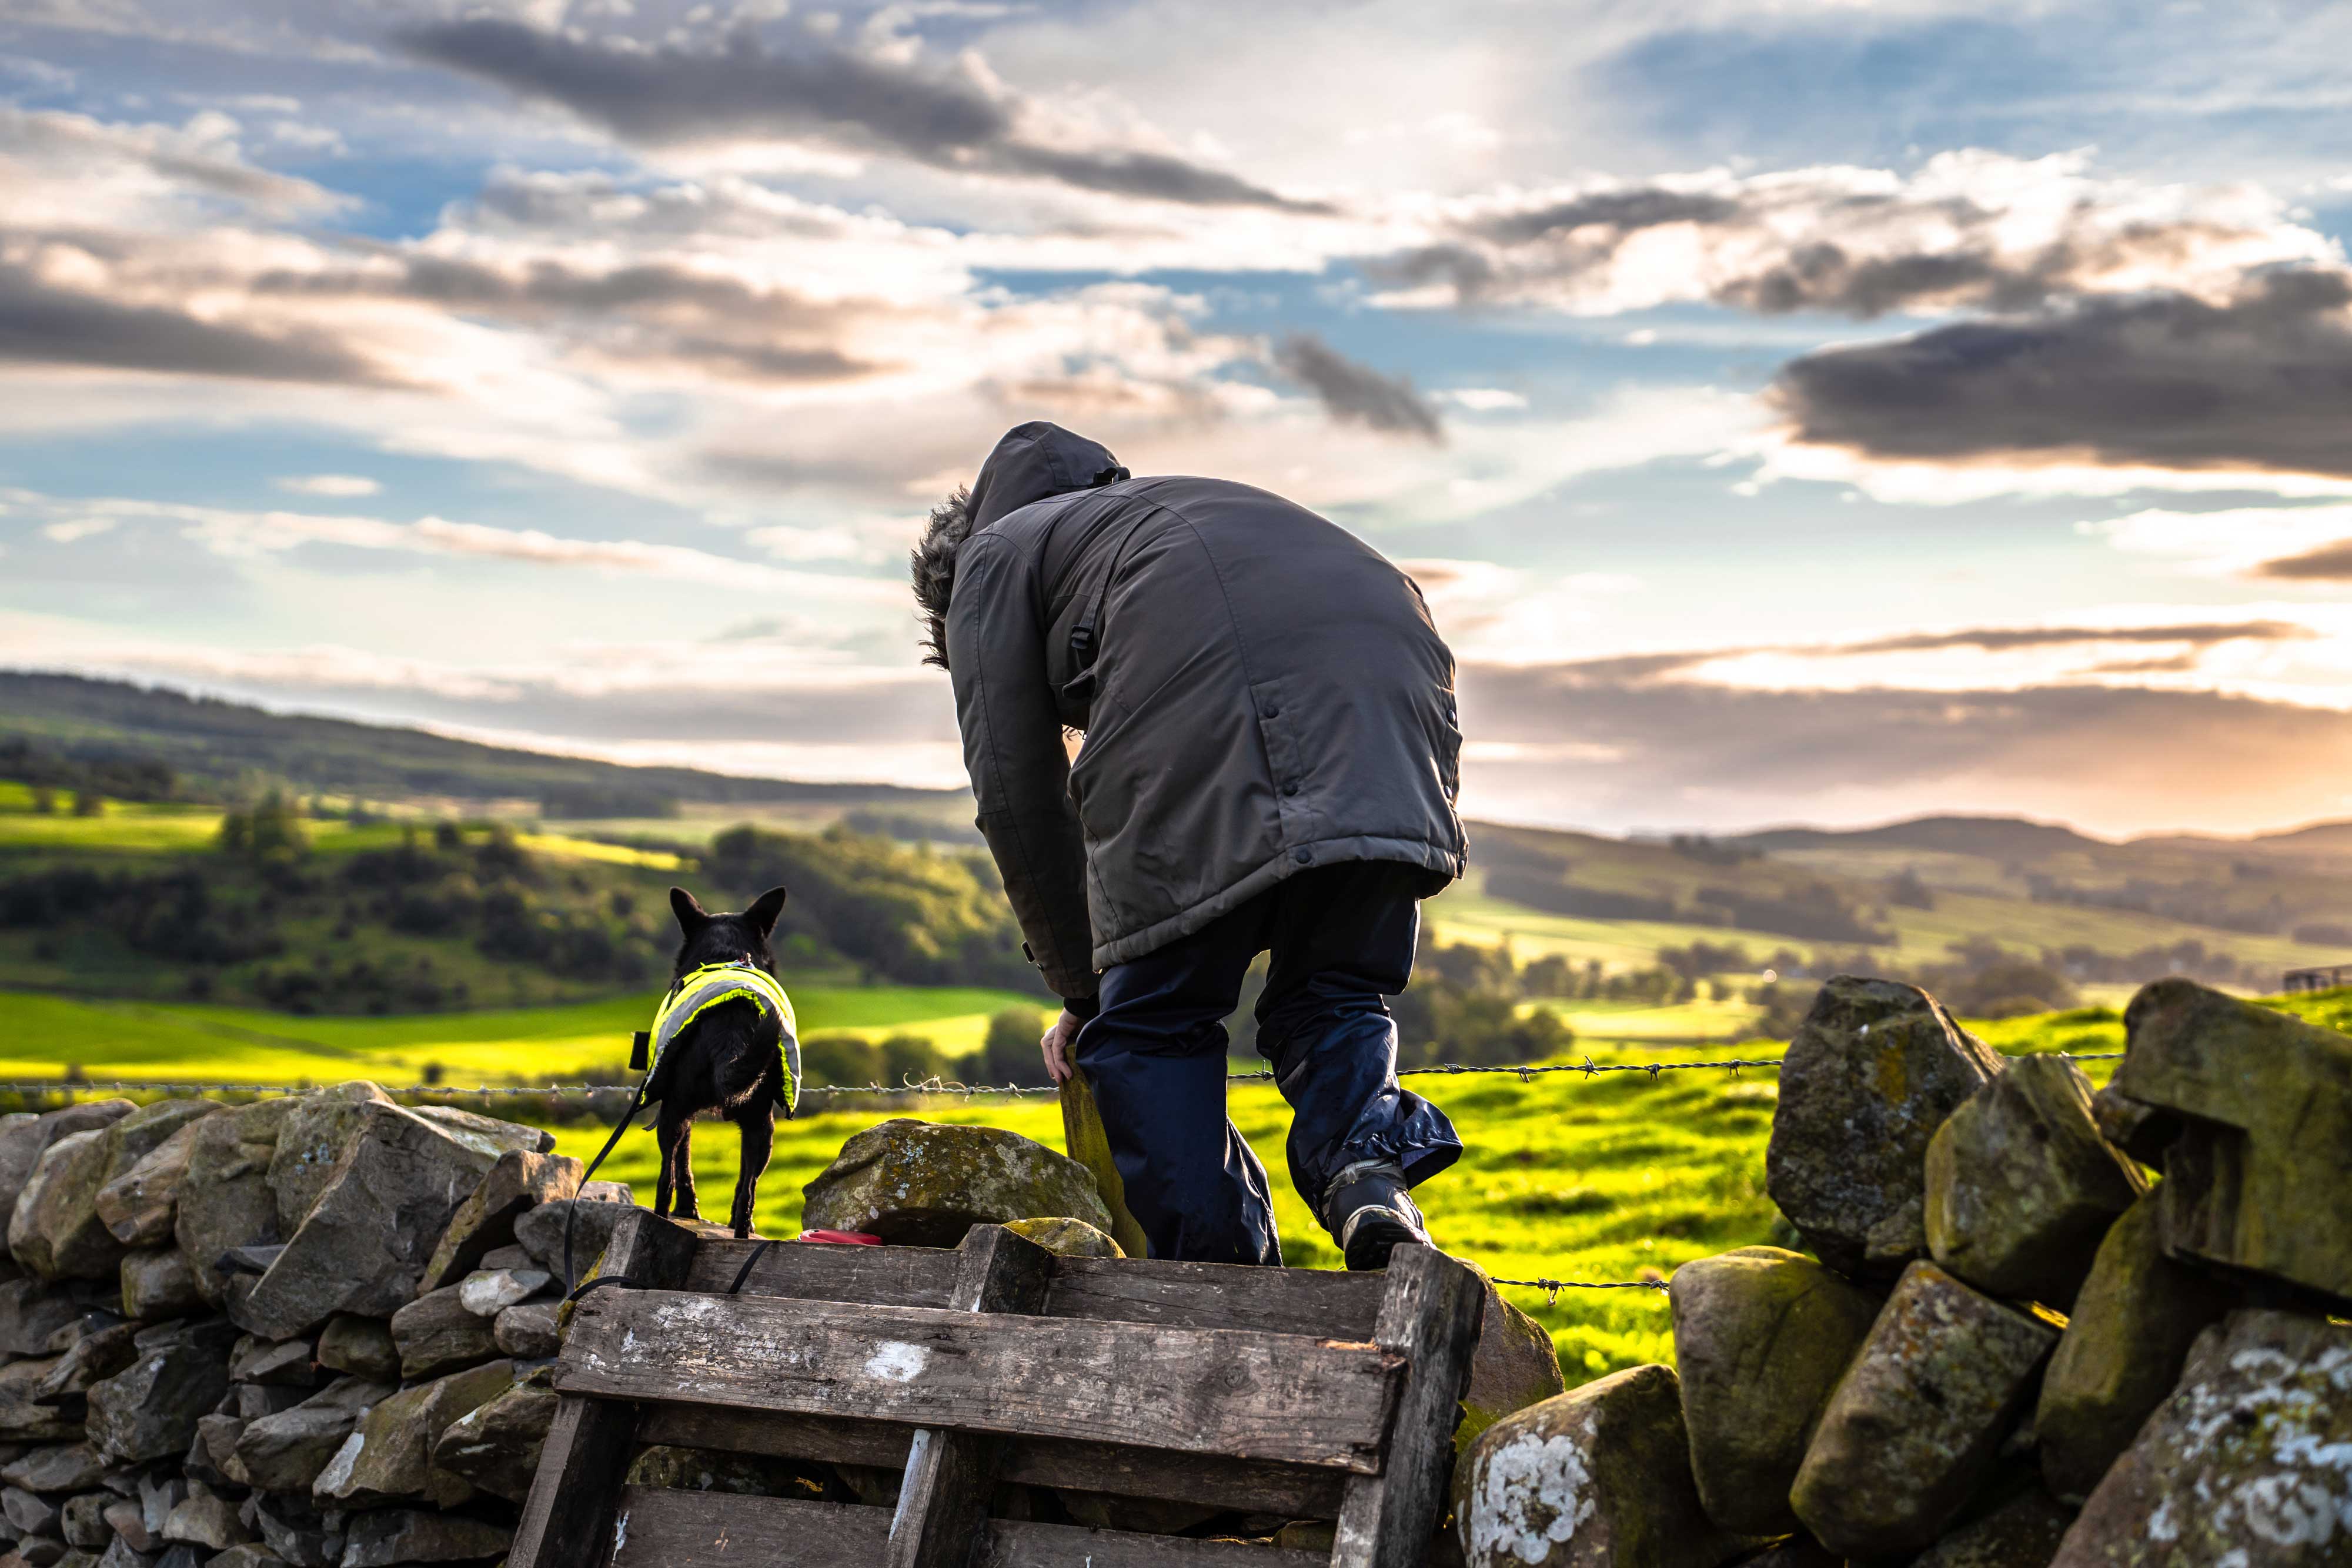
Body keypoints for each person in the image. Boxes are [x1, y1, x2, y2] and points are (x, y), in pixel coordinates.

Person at [911, 421, 1466, 1270]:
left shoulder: (994, 559)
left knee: (1152, 1027)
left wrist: (1088, 986)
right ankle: (1366, 1176)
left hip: (1220, 709)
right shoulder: (1168, 513)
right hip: (1394, 709)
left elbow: (1017, 796)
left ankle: (1223, 1279)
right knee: (1337, 991)